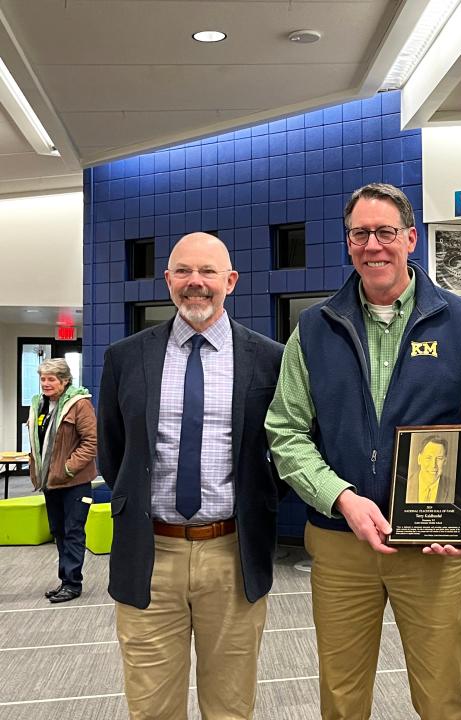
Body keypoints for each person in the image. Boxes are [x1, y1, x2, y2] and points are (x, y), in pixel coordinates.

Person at [265, 183, 461, 719]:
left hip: (431, 546)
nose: (373, 245)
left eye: (386, 232)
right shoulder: (314, 328)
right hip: (341, 544)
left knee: (442, 696)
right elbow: (286, 431)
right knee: (343, 699)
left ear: (411, 238)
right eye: (360, 234)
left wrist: (460, 501)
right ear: (348, 243)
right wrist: (341, 498)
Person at [97, 232, 284, 720]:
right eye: (183, 272)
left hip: (232, 554)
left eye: (207, 272)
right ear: (168, 281)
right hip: (149, 554)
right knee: (152, 707)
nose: (195, 283)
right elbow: (114, 453)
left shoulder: (271, 358)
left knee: (230, 707)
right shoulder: (125, 358)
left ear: (231, 281)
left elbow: (285, 451)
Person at [27, 358, 97, 603]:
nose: (46, 384)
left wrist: (67, 469)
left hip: (74, 482)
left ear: (65, 381)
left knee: (73, 530)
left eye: (51, 379)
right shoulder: (41, 405)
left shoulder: (80, 405)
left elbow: (91, 443)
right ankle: (64, 579)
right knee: (58, 530)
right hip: (50, 482)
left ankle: (72, 583)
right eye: (43, 379)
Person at [406, 434, 455, 504]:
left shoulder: (453, 489)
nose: (433, 465)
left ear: (445, 461)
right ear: (419, 459)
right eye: (428, 458)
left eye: (439, 458)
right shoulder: (405, 484)